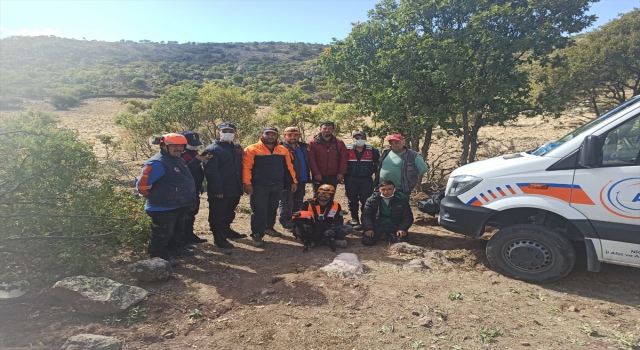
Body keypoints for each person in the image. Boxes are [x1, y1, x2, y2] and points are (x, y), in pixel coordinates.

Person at [136, 133, 197, 267]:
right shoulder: (157, 163)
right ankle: (158, 256)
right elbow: (142, 186)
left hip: (178, 204)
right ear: (164, 146)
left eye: (181, 146)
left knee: (177, 230)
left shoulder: (178, 159)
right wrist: (157, 198)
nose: (179, 149)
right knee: (162, 233)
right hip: (163, 206)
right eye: (174, 146)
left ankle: (175, 249)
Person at [243, 126, 298, 247]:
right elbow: (246, 168)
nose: (270, 136)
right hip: (259, 186)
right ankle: (257, 235)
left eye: (273, 134)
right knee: (259, 211)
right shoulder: (252, 149)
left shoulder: (282, 150)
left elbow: (289, 167)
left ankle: (269, 228)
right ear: (261, 134)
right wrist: (247, 184)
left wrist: (293, 182)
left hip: (277, 185)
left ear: (277, 136)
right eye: (267, 134)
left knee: (272, 208)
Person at [203, 122, 246, 249]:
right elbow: (211, 172)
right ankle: (218, 237)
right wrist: (217, 190)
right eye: (224, 131)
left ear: (235, 133)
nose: (227, 133)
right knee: (217, 213)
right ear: (219, 132)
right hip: (220, 189)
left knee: (229, 212)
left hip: (234, 187)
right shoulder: (211, 150)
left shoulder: (236, 148)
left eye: (230, 131)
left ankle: (226, 230)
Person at [298, 184, 354, 248]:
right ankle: (329, 241)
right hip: (312, 229)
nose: (323, 195)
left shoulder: (336, 205)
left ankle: (318, 242)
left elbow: (339, 221)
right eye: (321, 193)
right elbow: (300, 219)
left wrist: (333, 229)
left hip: (327, 230)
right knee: (298, 228)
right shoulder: (307, 203)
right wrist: (305, 226)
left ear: (331, 196)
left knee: (349, 228)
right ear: (317, 193)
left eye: (327, 193)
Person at [361, 180, 414, 246]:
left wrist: (402, 228)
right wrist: (369, 228)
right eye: (383, 189)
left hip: (394, 226)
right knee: (367, 241)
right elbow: (366, 216)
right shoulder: (372, 200)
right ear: (379, 190)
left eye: (389, 189)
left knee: (401, 241)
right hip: (377, 226)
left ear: (394, 189)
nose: (386, 192)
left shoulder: (402, 200)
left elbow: (407, 217)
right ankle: (381, 234)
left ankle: (389, 235)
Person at [344, 131, 379, 228]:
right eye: (357, 138)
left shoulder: (372, 150)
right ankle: (355, 219)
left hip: (366, 179)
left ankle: (365, 219)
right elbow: (341, 163)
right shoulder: (346, 150)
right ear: (353, 139)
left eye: (362, 138)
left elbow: (377, 165)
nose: (359, 140)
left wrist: (377, 179)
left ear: (365, 139)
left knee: (366, 200)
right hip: (350, 179)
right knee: (352, 200)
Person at [278, 126, 310, 231]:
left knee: (298, 201)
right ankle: (286, 222)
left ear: (299, 136)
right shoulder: (280, 148)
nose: (293, 137)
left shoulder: (303, 147)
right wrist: (289, 181)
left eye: (295, 135)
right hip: (288, 181)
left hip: (302, 179)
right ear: (284, 136)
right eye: (290, 135)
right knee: (286, 202)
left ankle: (296, 220)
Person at [180, 131, 208, 244]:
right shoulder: (181, 154)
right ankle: (184, 237)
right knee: (186, 214)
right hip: (185, 189)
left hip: (195, 187)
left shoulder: (194, 151)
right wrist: (196, 160)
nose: (195, 145)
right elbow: (185, 170)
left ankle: (189, 234)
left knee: (192, 212)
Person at [307, 121, 348, 194]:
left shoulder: (339, 143)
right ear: (320, 129)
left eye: (329, 128)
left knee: (330, 195)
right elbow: (311, 159)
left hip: (333, 175)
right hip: (318, 175)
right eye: (325, 128)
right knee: (318, 195)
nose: (327, 130)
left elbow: (343, 159)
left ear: (333, 130)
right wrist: (316, 173)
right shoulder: (312, 143)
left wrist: (341, 173)